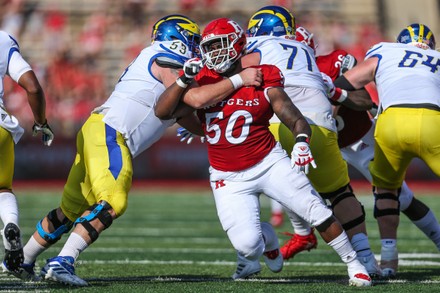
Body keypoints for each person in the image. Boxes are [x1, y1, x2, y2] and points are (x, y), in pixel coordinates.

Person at [154, 17, 372, 287]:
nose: (214, 53)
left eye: (220, 45)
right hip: (227, 175)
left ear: (238, 44)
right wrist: (185, 80)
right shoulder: (203, 79)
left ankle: (354, 263)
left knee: (316, 210)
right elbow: (162, 111)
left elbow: (291, 114)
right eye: (209, 47)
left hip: (269, 162)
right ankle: (269, 239)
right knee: (247, 246)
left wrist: (302, 140)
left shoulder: (264, 73)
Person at [2, 14, 202, 286]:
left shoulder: (159, 63)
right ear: (175, 39)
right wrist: (230, 88)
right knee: (113, 200)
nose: (194, 47)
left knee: (69, 210)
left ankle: (22, 258)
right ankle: (64, 261)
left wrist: (210, 123)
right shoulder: (164, 57)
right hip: (111, 133)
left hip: (98, 129)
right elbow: (192, 98)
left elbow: (184, 113)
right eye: (192, 41)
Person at [242, 5, 380, 277]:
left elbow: (237, 74)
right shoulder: (305, 51)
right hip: (322, 125)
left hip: (279, 124)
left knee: (244, 184)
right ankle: (365, 259)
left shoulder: (257, 46)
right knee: (340, 193)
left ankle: (255, 251)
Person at [296, 25, 440, 278]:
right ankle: (367, 258)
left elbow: (357, 90)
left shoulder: (361, 55)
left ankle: (385, 261)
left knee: (393, 194)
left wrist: (332, 95)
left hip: (370, 132)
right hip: (429, 121)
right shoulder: (434, 58)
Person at [0, 30, 54, 274]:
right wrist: (41, 122)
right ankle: (10, 224)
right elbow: (32, 86)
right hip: (1, 127)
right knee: (2, 189)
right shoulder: (2, 39)